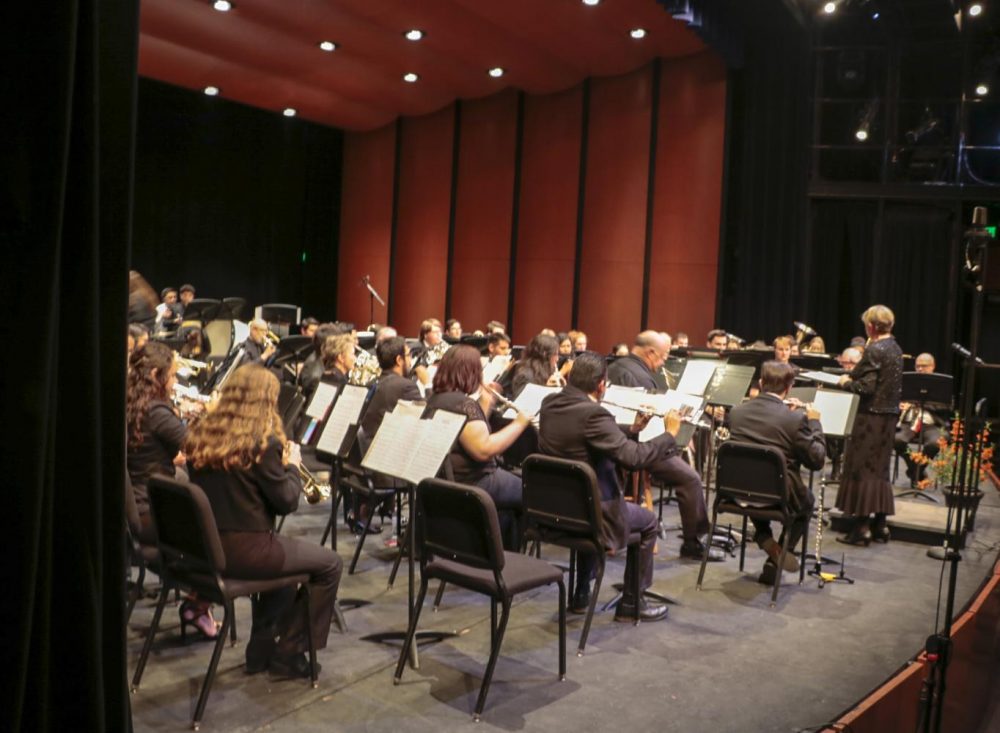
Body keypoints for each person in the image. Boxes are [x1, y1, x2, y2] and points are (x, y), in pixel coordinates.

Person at [185, 365, 342, 678]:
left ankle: (261, 650)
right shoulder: (262, 443)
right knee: (330, 565)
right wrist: (293, 467)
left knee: (286, 561)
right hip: (245, 551)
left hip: (205, 547)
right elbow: (285, 502)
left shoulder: (202, 433)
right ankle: (291, 651)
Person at [539, 352, 687, 621]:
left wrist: (630, 428)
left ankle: (582, 594)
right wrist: (670, 434)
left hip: (555, 508)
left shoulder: (550, 403)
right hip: (592, 514)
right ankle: (633, 601)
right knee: (648, 522)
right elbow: (633, 458)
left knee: (585, 497)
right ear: (601, 386)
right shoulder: (594, 413)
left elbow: (584, 433)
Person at [126, 342, 218, 639]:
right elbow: (201, 448)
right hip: (153, 514)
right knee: (222, 533)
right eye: (173, 376)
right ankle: (198, 604)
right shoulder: (157, 411)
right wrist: (212, 415)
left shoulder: (131, 402)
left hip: (139, 507)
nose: (176, 381)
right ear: (156, 375)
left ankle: (197, 601)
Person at [605, 332, 721, 561]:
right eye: (663, 357)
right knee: (690, 478)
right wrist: (674, 442)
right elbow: (651, 432)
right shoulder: (644, 379)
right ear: (650, 352)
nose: (664, 362)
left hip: (612, 443)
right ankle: (692, 543)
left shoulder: (613, 367)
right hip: (636, 447)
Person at [425, 345, 533, 549]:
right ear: (469, 372)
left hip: (449, 481)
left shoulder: (437, 399)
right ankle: (507, 556)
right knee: (530, 491)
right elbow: (483, 449)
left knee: (513, 498)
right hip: (475, 481)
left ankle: (498, 536)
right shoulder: (464, 404)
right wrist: (520, 423)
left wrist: (486, 404)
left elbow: (467, 433)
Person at [728, 361, 826, 584]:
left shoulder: (736, 412)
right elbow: (817, 460)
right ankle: (776, 557)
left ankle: (762, 534)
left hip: (736, 492)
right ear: (789, 389)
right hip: (777, 496)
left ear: (761, 384)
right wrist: (814, 423)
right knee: (807, 502)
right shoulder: (795, 419)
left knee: (753, 478)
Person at [835, 305, 903, 545]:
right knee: (880, 470)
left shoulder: (875, 349)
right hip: (888, 418)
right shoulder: (895, 347)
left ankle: (861, 528)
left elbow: (866, 387)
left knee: (862, 469)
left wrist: (844, 382)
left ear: (871, 327)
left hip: (870, 418)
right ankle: (880, 524)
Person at [895, 352, 943, 487]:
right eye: (917, 366)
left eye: (924, 366)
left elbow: (946, 406)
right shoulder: (908, 381)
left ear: (933, 366)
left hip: (931, 423)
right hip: (909, 422)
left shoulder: (941, 384)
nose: (920, 369)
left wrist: (920, 403)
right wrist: (900, 405)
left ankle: (915, 471)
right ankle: (916, 470)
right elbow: (897, 398)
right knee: (897, 440)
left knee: (935, 444)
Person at [511, 333, 562, 397]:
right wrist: (546, 389)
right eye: (555, 354)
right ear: (545, 355)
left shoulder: (548, 371)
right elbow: (523, 403)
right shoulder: (525, 375)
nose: (557, 359)